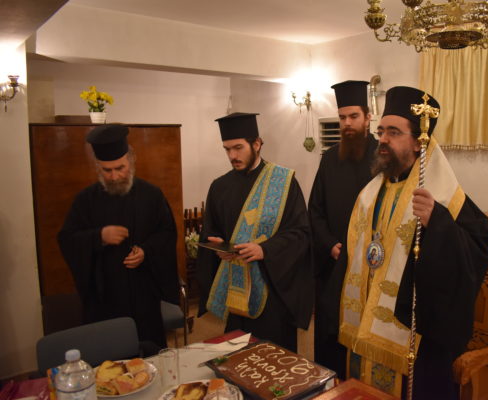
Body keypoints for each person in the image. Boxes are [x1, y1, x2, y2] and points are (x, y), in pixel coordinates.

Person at [338, 87, 488, 399]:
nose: (383, 140)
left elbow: (478, 249)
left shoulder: (444, 196)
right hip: (366, 324)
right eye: (381, 131)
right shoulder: (371, 193)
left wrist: (438, 224)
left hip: (418, 338)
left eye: (394, 132)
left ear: (419, 142)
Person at [196, 112, 313, 352]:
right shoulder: (219, 187)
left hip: (273, 290)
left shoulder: (284, 182)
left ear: (257, 144)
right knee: (237, 355)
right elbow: (210, 233)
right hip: (235, 287)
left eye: (238, 148)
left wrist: (264, 250)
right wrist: (218, 248)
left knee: (275, 359)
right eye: (227, 149)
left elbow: (300, 233)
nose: (232, 156)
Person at [58, 124, 180, 350]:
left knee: (148, 354)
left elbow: (166, 233)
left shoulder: (152, 195)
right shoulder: (85, 200)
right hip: (104, 298)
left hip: (143, 294)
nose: (114, 176)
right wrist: (99, 236)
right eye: (107, 170)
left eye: (120, 168)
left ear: (131, 161)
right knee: (108, 358)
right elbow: (67, 239)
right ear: (98, 167)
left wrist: (146, 251)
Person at [308, 80, 378, 379]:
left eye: (353, 116)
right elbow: (315, 210)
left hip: (372, 265)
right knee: (331, 329)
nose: (347, 123)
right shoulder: (328, 158)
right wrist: (329, 244)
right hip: (334, 261)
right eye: (342, 117)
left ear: (368, 117)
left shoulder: (384, 157)